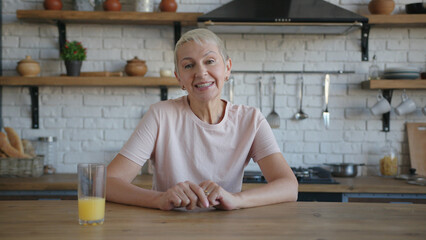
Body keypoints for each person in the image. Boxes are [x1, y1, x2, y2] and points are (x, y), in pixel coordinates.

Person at [106, 28, 298, 211]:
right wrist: (159, 199)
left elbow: (289, 186)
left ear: (227, 68)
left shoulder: (251, 120)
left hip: (229, 228)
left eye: (210, 61)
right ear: (179, 78)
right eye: (189, 65)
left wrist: (236, 199)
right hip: (167, 228)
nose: (201, 72)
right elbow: (107, 183)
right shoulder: (160, 115)